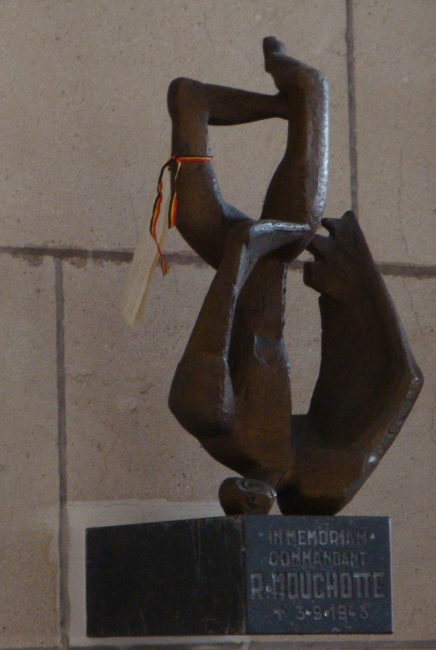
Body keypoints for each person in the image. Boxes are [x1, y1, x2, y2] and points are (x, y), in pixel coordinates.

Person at [165, 38, 422, 515]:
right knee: (284, 231)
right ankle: (281, 98)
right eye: (254, 500)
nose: (253, 494)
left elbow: (206, 345)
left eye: (243, 497)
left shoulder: (231, 436)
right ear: (267, 503)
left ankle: (209, 108)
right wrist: (359, 283)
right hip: (264, 279)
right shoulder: (324, 475)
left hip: (252, 279)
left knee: (249, 231)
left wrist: (240, 258)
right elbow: (403, 380)